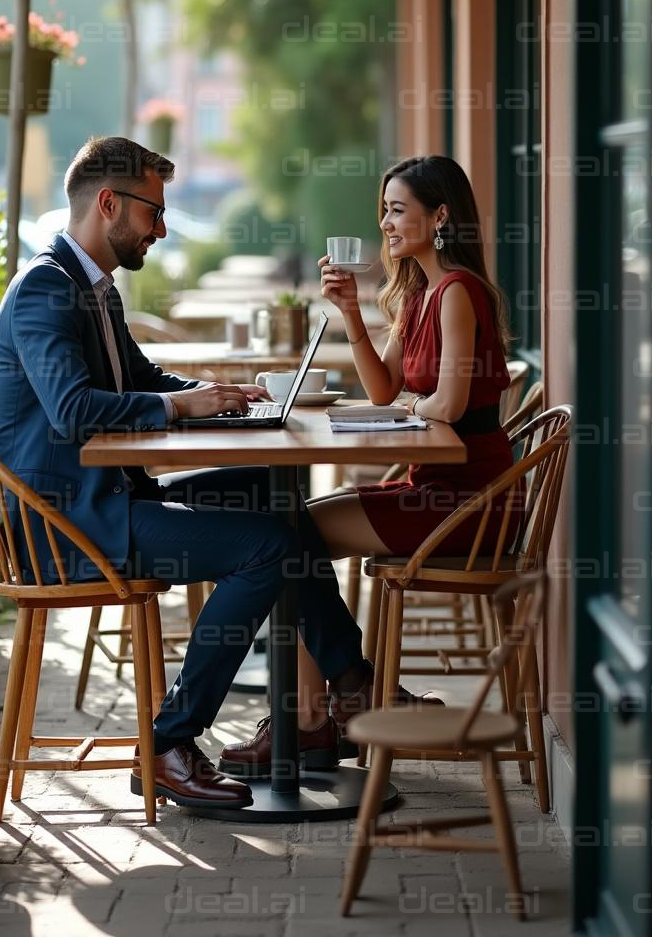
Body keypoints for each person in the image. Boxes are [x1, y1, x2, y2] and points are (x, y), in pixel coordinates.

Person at [0, 135, 370, 809]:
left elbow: (142, 379)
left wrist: (215, 395)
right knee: (267, 547)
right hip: (71, 524)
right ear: (108, 203)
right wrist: (176, 404)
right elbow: (75, 411)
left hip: (108, 499)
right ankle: (169, 740)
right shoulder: (44, 292)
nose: (162, 229)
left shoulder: (93, 288)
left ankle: (348, 687)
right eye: (152, 214)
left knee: (276, 502)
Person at [221, 154, 516, 773]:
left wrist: (418, 402)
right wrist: (352, 314)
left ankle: (314, 718)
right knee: (284, 533)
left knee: (284, 538)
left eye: (397, 210)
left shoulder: (458, 292)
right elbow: (386, 392)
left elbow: (450, 402)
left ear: (440, 217)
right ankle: (331, 705)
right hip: (431, 485)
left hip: (471, 503)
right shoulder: (419, 295)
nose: (385, 223)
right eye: (383, 209)